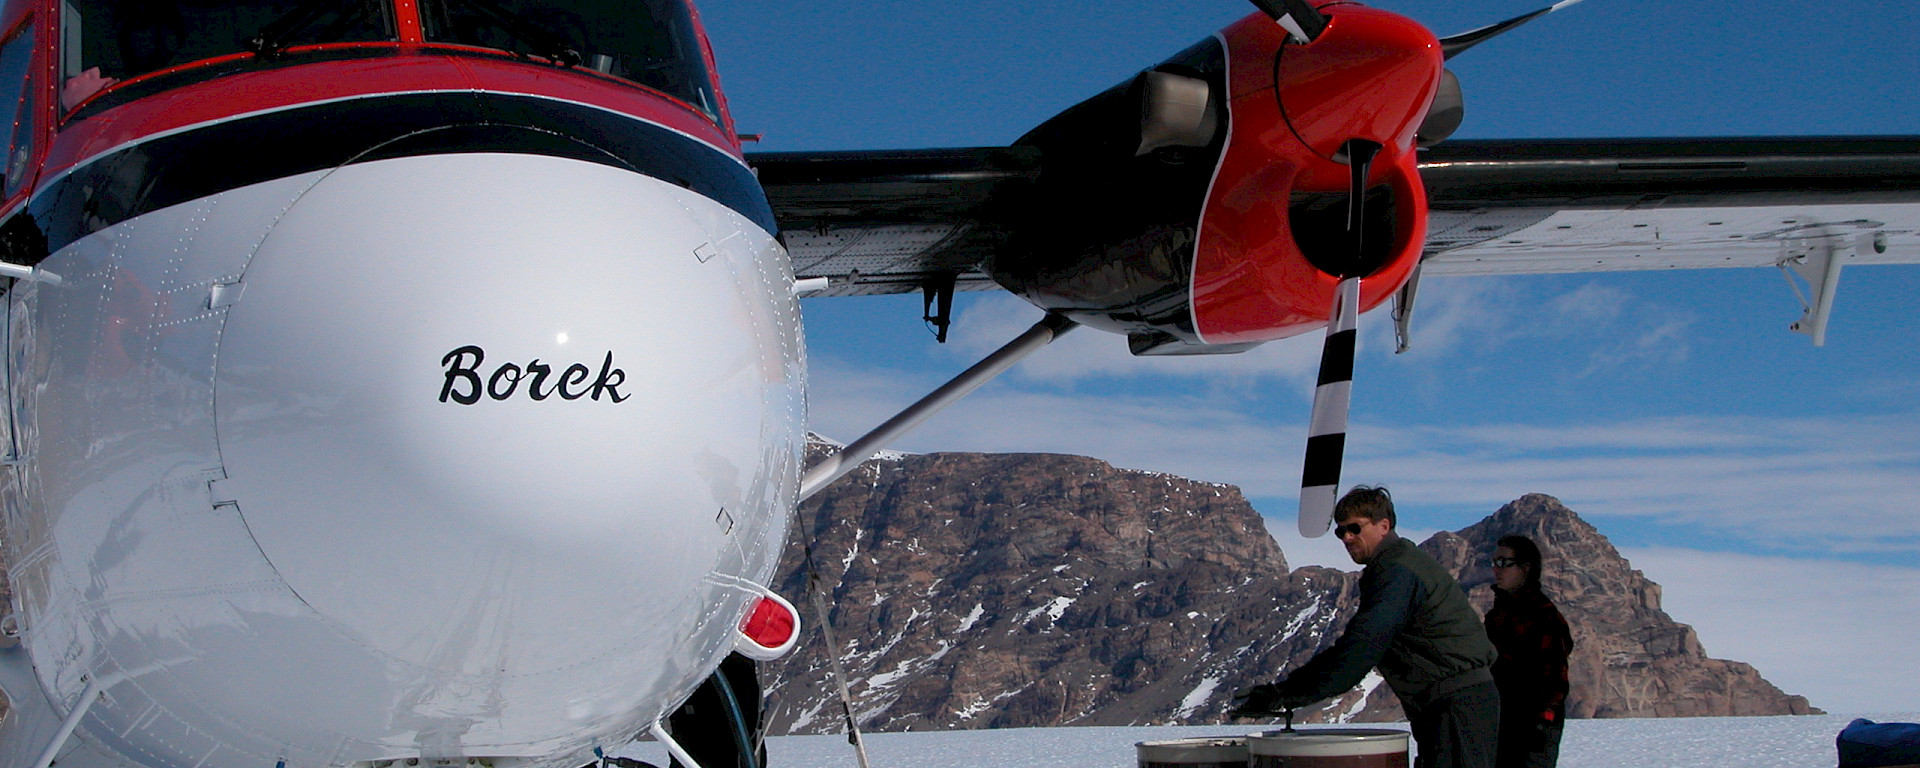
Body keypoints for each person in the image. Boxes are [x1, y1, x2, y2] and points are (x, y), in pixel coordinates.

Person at [1234, 486, 1500, 768]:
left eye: (1354, 528)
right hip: (1449, 706)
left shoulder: (1397, 572)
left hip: (1455, 707)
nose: (1347, 538)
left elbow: (1361, 648)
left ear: (1383, 526)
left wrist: (1285, 694)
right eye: (1340, 532)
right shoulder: (1396, 566)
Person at [1485, 535, 1574, 768]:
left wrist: (1542, 722)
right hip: (1502, 723)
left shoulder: (1543, 615)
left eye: (1504, 562)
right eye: (1494, 562)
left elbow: (1555, 672)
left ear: (1525, 568)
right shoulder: (1498, 614)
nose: (1497, 569)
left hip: (1531, 728)